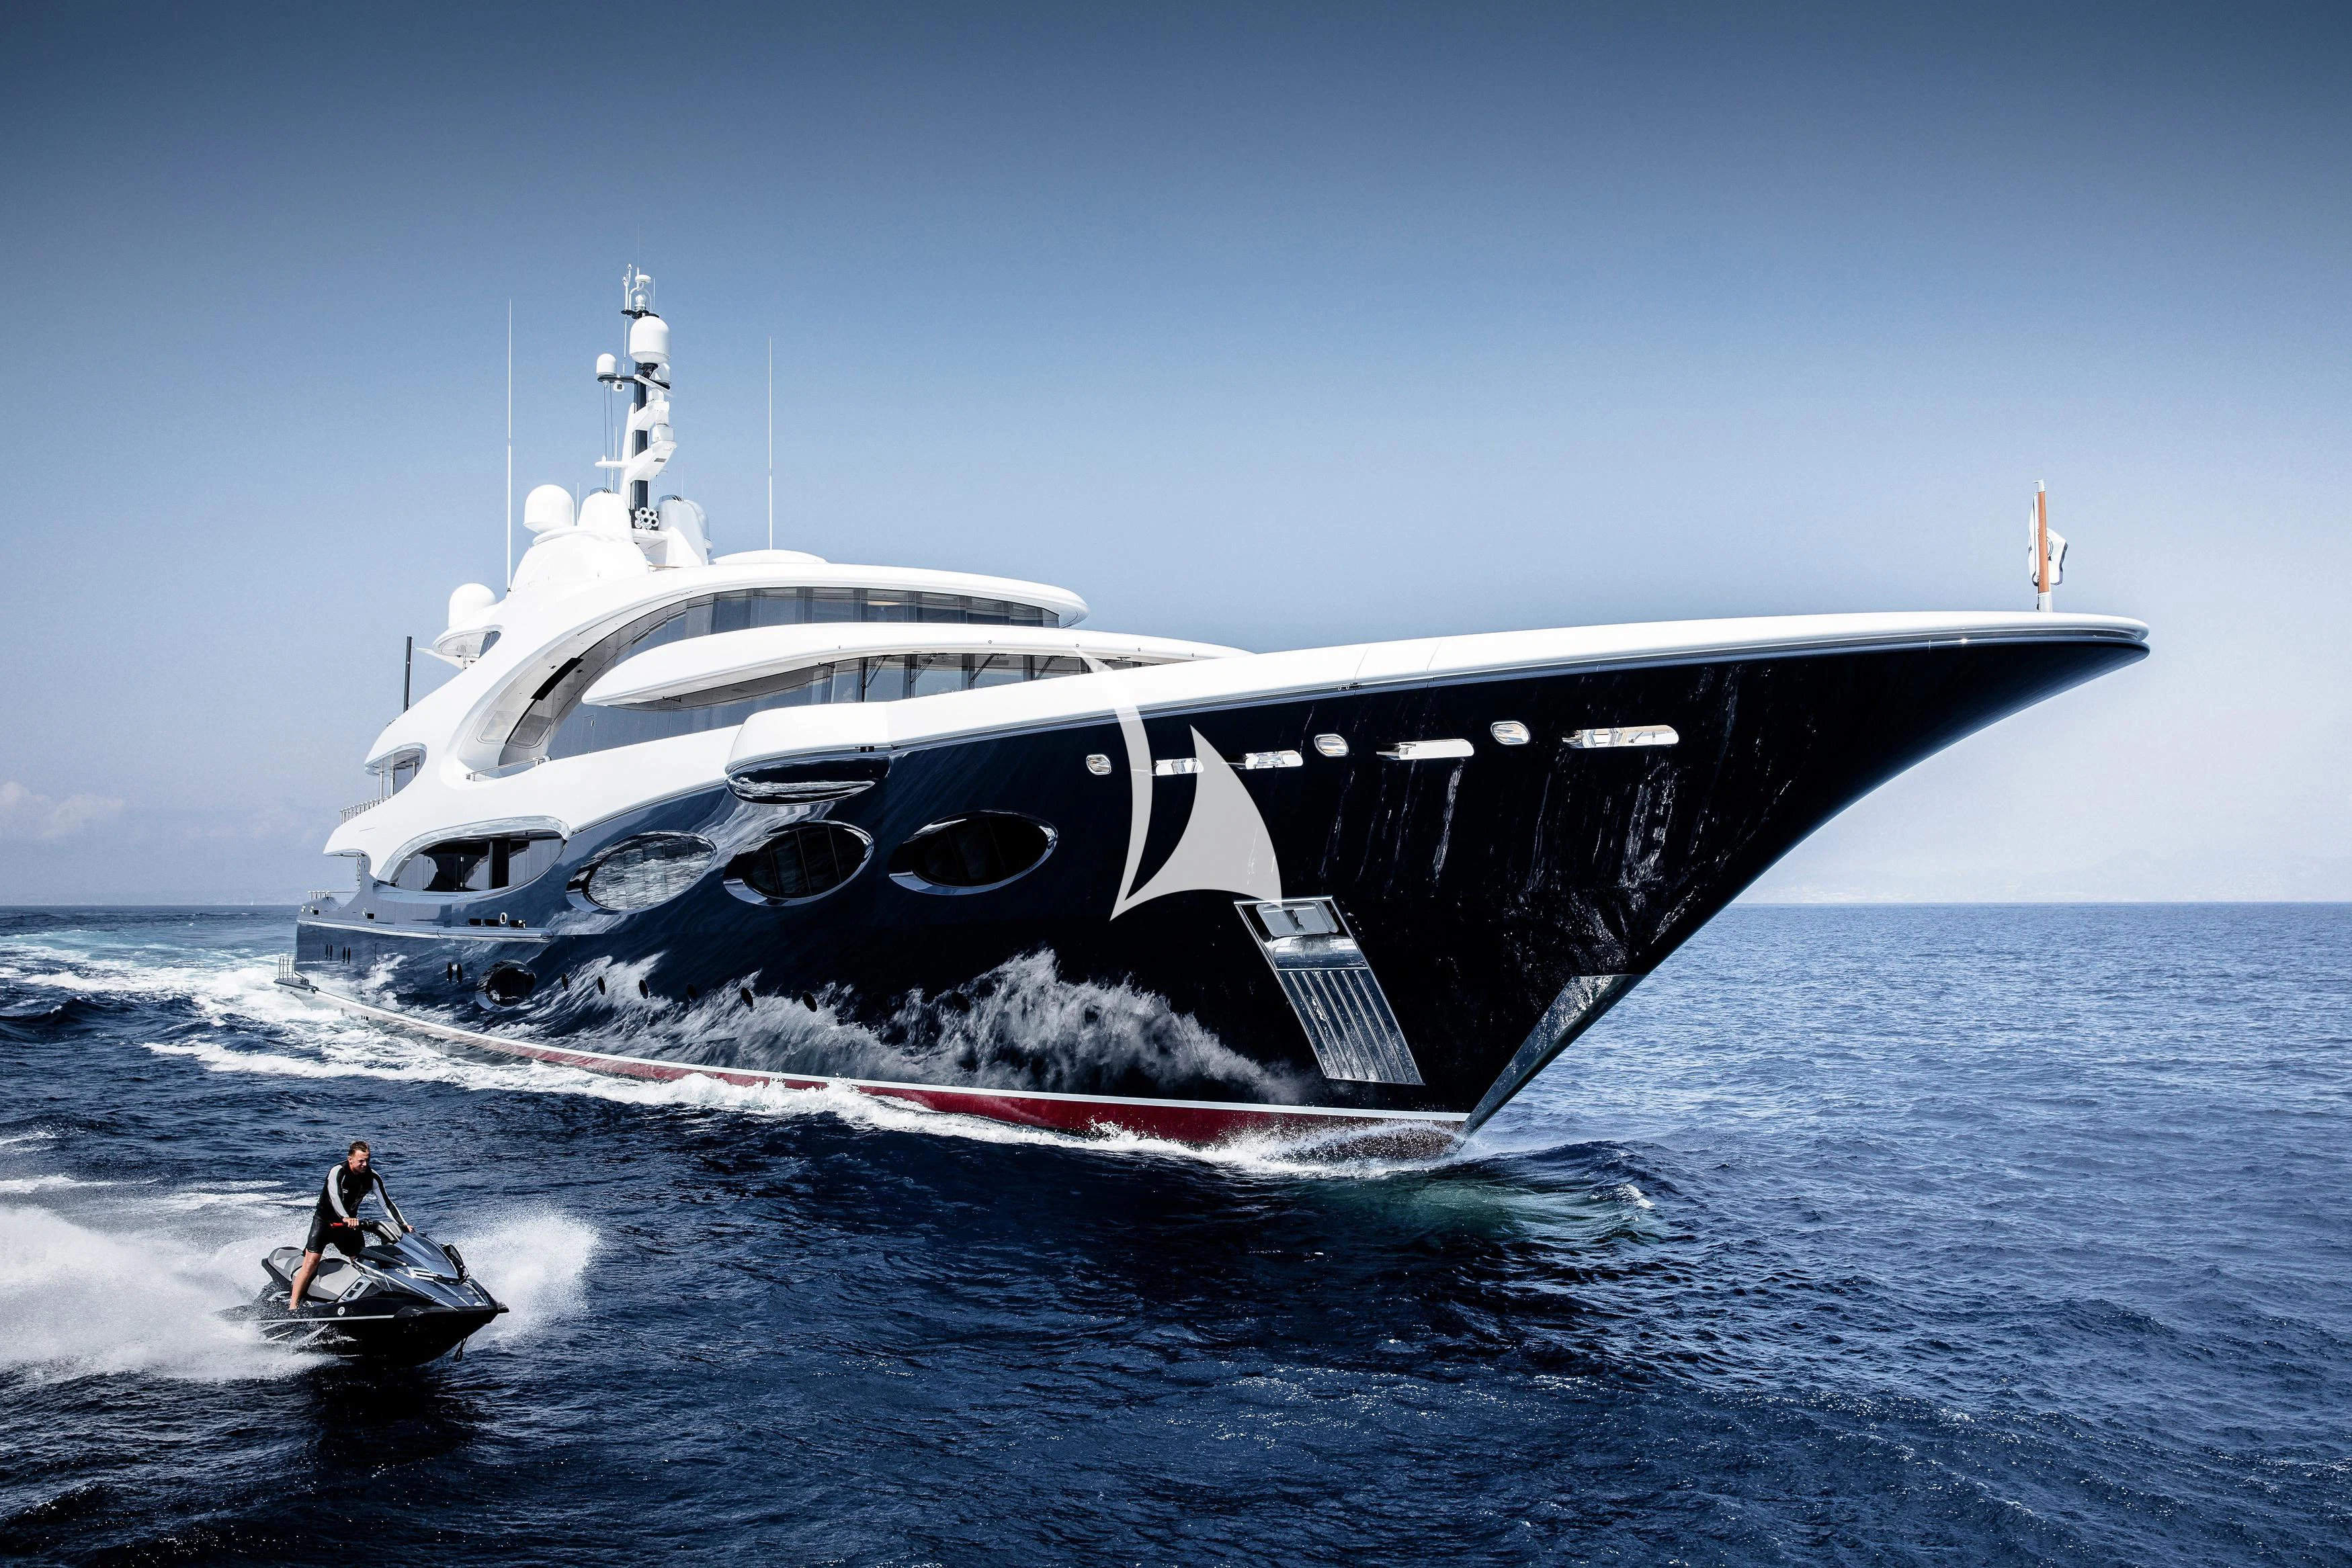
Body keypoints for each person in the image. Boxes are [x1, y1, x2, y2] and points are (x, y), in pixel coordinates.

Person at [286, 1139, 409, 1311]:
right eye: (361, 1161)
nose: (365, 1164)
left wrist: (403, 1224)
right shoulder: (338, 1171)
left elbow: (386, 1203)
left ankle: (364, 1301)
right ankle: (293, 1307)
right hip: (325, 1223)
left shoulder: (372, 1177)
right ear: (350, 1159)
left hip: (348, 1226)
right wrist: (345, 1217)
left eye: (368, 1160)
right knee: (311, 1262)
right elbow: (335, 1197)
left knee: (361, 1263)